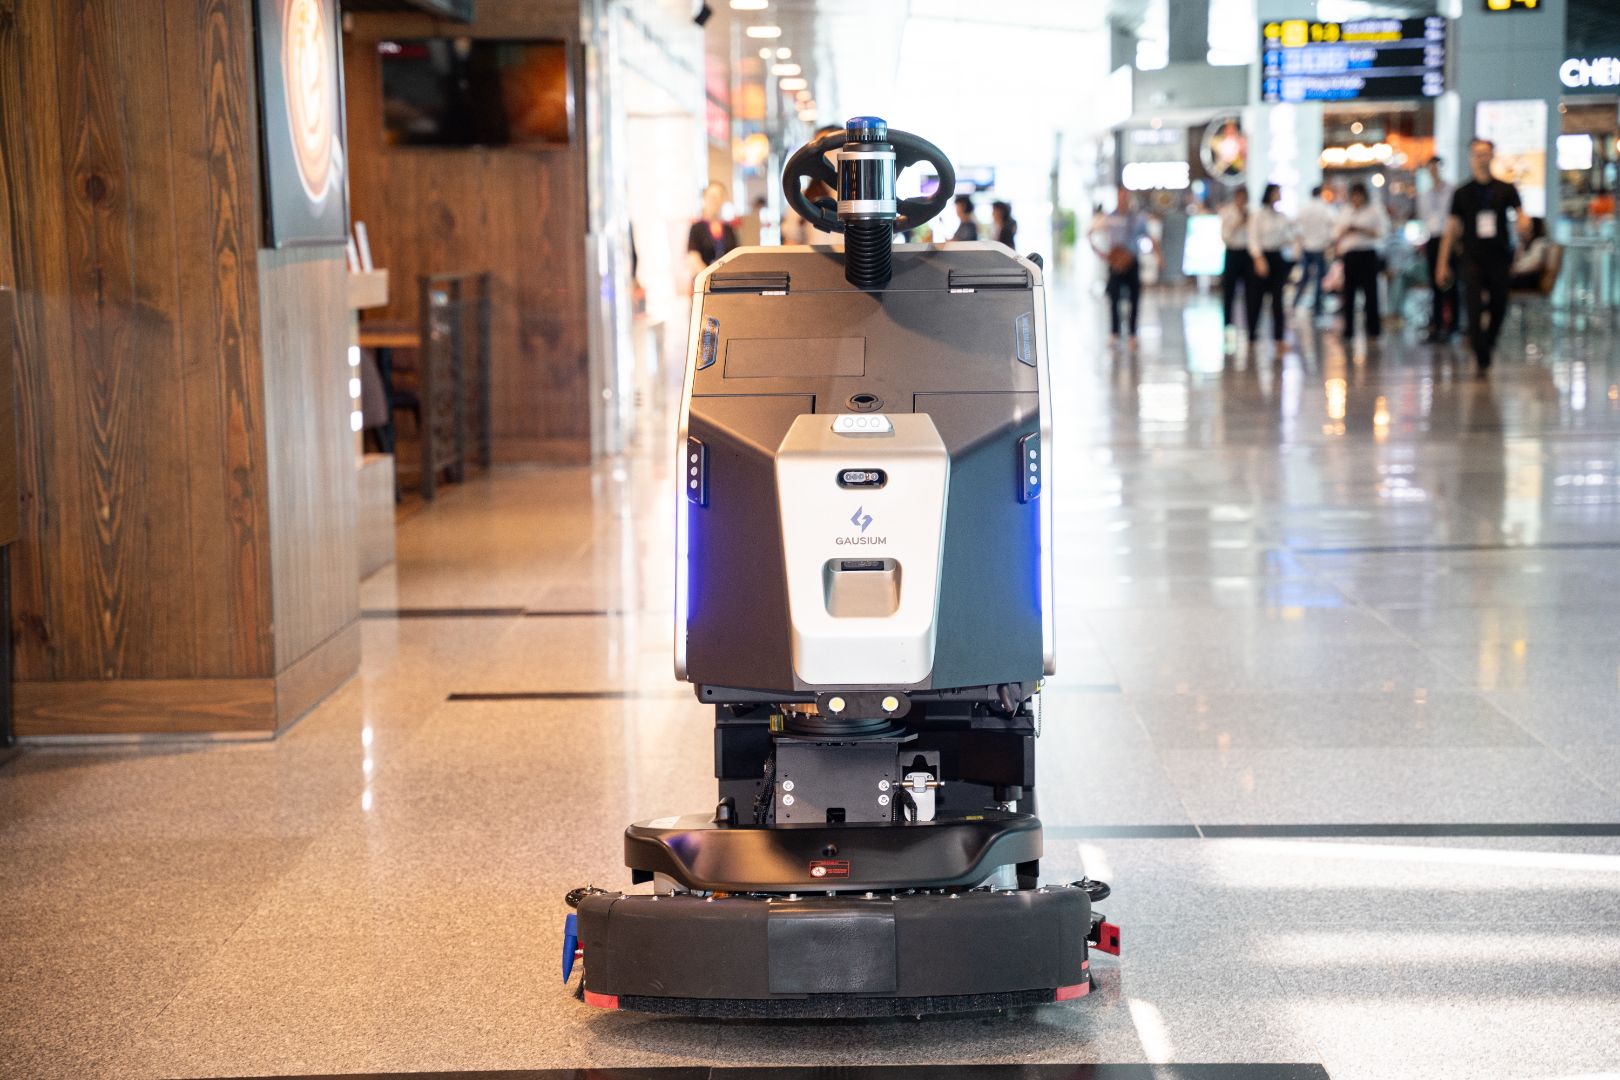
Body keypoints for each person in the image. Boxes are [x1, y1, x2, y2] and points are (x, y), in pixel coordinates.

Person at [1436, 138, 1522, 373]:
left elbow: (1521, 216)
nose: (1480, 158)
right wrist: (1442, 264)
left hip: (1499, 256)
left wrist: (1524, 228)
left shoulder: (1505, 189)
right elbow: (1451, 230)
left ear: (1492, 156)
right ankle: (1480, 354)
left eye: (1485, 153)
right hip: (1471, 257)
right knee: (1472, 306)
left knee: (1499, 304)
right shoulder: (1462, 193)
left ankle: (1488, 342)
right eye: (1476, 154)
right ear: (1470, 157)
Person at [1090, 187, 1157, 344]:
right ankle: (1114, 332)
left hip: (1132, 261)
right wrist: (1103, 254)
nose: (1122, 200)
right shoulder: (1110, 217)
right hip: (1115, 264)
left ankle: (1133, 333)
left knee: (1134, 298)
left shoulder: (1138, 218)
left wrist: (1158, 256)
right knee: (1114, 298)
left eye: (1125, 197)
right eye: (1120, 197)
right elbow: (1091, 233)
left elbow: (1149, 237)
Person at [1334, 181, 1388, 341]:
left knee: (1371, 293)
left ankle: (1373, 329)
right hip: (1350, 255)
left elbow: (1383, 231)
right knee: (1348, 293)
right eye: (1354, 196)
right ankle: (1348, 330)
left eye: (1359, 196)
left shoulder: (1374, 210)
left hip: (1367, 253)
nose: (1356, 199)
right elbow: (1335, 232)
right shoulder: (1345, 211)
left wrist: (1363, 230)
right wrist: (1346, 230)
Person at [1246, 183, 1294, 345]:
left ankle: (1279, 337)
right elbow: (1253, 239)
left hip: (1277, 257)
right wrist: (1258, 259)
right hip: (1262, 257)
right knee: (1256, 298)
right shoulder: (1258, 215)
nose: (1279, 195)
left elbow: (1289, 235)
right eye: (1276, 192)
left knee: (1278, 298)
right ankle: (1252, 334)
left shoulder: (1281, 216)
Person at [781, 124, 843, 245]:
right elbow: (791, 245)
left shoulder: (860, 199)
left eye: (834, 147)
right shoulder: (801, 197)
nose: (828, 153)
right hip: (811, 257)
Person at [1417, 157, 1457, 343]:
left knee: (1451, 283)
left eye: (1435, 167)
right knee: (1435, 284)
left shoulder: (1452, 191)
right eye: (1430, 168)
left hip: (1448, 238)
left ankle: (1453, 325)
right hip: (1432, 239)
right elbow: (1424, 219)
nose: (1433, 171)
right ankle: (1437, 325)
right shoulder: (1424, 195)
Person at [1293, 185, 1334, 321]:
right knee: (1319, 279)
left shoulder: (1304, 208)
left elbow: (1295, 224)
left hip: (1307, 246)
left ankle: (1295, 302)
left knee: (1305, 277)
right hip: (1319, 247)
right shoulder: (1325, 208)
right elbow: (1333, 223)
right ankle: (1317, 308)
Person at [1218, 186, 1251, 349]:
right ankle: (1227, 324)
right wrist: (1238, 223)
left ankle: (1249, 326)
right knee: (1229, 292)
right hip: (1232, 253)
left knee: (1250, 292)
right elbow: (1225, 236)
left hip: (1247, 254)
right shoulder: (1227, 212)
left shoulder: (1250, 213)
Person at [686, 181, 738, 275]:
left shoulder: (728, 229)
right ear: (704, 198)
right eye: (713, 197)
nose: (716, 201)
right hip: (703, 278)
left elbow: (735, 255)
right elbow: (693, 256)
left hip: (726, 278)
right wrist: (707, 275)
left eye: (720, 197)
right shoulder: (696, 228)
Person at [1509, 215, 1550, 290]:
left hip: (1530, 277)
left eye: (1527, 228)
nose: (1524, 231)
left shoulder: (1540, 243)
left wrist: (1516, 270)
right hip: (1521, 275)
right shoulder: (1523, 244)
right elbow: (1516, 261)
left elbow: (1535, 264)